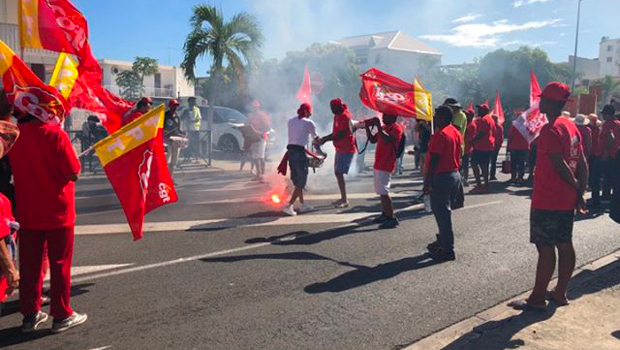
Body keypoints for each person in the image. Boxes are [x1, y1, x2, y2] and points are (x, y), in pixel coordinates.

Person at [509, 82, 587, 311]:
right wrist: (579, 192)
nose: (539, 102)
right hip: (565, 201)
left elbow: (559, 164)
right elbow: (582, 163)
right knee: (565, 243)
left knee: (545, 247)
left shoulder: (550, 129)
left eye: (542, 99)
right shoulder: (571, 127)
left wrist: (575, 189)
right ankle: (561, 292)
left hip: (548, 199)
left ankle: (537, 298)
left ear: (552, 102)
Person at [9, 112, 87, 333]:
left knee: (29, 265)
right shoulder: (56, 135)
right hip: (58, 211)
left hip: (28, 210)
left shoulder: (14, 136)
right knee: (60, 263)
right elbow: (73, 173)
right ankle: (62, 315)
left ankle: (30, 315)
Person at [424, 106, 463, 261]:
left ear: (442, 117)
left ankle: (447, 249)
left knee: (443, 215)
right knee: (444, 213)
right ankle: (442, 241)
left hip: (441, 176)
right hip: (454, 174)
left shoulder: (440, 135)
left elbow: (434, 160)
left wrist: (427, 182)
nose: (434, 117)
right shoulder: (455, 131)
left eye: (436, 115)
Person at [366, 114, 404, 229]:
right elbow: (373, 140)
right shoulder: (384, 128)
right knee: (380, 191)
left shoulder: (396, 128)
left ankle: (392, 218)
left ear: (393, 118)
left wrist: (377, 126)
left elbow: (387, 139)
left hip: (386, 163)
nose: (383, 117)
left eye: (386, 116)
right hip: (379, 163)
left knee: (384, 191)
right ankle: (385, 214)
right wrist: (367, 127)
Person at [282, 103, 319, 216]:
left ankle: (302, 204)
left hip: (291, 154)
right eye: (309, 112)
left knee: (298, 181)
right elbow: (316, 139)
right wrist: (321, 151)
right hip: (299, 155)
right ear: (307, 112)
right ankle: (289, 206)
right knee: (301, 183)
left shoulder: (290, 121)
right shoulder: (309, 123)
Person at [320, 98, 357, 208]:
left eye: (334, 107)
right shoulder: (337, 116)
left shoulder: (346, 117)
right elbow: (336, 132)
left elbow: (341, 134)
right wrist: (325, 138)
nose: (332, 109)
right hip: (340, 148)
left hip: (346, 148)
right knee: (338, 173)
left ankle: (345, 200)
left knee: (339, 173)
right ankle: (343, 198)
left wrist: (325, 139)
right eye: (331, 107)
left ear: (340, 106)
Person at [470, 102, 496, 193]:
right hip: (488, 145)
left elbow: (482, 133)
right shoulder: (491, 119)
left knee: (474, 164)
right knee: (484, 165)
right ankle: (485, 185)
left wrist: (473, 140)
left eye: (480, 109)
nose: (478, 111)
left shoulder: (483, 120)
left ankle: (480, 185)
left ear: (484, 111)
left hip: (481, 146)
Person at [599, 104, 620, 204]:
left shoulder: (607, 125)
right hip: (617, 154)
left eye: (604, 114)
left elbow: (610, 139)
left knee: (607, 177)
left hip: (610, 155)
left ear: (608, 115)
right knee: (616, 177)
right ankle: (615, 197)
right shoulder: (618, 124)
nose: (603, 116)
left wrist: (606, 153)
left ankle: (606, 197)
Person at [248, 101, 272, 182]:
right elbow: (249, 126)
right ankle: (258, 175)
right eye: (253, 107)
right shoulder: (251, 116)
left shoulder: (262, 115)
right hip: (253, 139)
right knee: (255, 157)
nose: (254, 108)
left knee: (261, 157)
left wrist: (260, 132)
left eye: (255, 107)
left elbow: (268, 127)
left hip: (261, 138)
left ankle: (263, 175)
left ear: (258, 107)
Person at [164, 99, 186, 178]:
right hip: (167, 141)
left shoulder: (177, 117)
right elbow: (160, 128)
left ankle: (171, 178)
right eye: (174, 106)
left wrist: (183, 134)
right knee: (166, 161)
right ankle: (165, 178)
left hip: (176, 141)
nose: (175, 108)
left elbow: (178, 130)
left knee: (173, 162)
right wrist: (164, 132)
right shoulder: (165, 116)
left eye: (176, 106)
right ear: (169, 106)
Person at [588, 113, 603, 208]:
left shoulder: (590, 130)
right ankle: (595, 199)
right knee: (595, 177)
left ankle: (595, 200)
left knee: (593, 178)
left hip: (593, 155)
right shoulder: (598, 129)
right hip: (598, 154)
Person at [461, 110, 477, 187]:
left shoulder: (471, 125)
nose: (465, 116)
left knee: (465, 165)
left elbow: (467, 133)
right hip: (463, 146)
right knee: (462, 164)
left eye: (467, 115)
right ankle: (463, 178)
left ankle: (466, 179)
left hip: (467, 147)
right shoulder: (467, 123)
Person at [490, 115, 504, 181]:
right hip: (491, 146)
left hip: (494, 146)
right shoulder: (492, 126)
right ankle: (491, 175)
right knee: (492, 161)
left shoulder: (498, 127)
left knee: (492, 161)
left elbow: (501, 138)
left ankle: (492, 175)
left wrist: (498, 146)